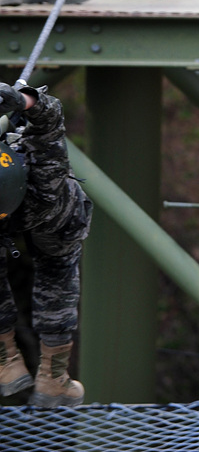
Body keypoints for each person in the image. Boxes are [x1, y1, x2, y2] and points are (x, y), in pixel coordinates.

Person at [0, 81, 92, 407]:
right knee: (57, 271)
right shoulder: (45, 175)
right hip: (52, 215)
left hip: (17, 216)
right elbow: (49, 119)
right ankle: (54, 378)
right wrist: (23, 100)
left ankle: (5, 364)